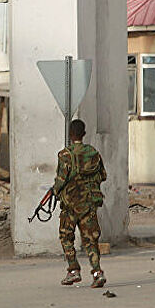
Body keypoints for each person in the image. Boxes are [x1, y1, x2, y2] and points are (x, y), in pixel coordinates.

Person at [53, 119, 107, 288]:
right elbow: (103, 175)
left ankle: (73, 270)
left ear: (70, 134)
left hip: (70, 205)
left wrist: (55, 191)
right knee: (91, 240)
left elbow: (61, 180)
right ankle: (97, 273)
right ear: (83, 134)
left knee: (66, 236)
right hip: (89, 204)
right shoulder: (93, 153)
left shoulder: (65, 155)